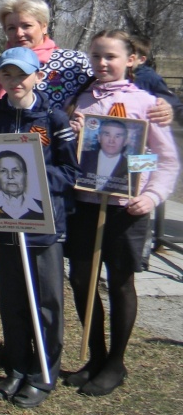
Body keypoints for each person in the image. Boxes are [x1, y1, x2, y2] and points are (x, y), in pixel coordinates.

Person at [64, 30, 179, 397]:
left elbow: (164, 159)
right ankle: (94, 357)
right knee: (82, 281)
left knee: (119, 283)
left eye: (110, 56)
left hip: (127, 210)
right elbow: (72, 152)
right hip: (84, 206)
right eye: (96, 56)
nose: (102, 63)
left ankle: (116, 363)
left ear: (131, 59)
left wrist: (149, 193)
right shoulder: (80, 99)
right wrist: (73, 131)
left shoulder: (145, 103)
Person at [0, 47, 78, 408]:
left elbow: (71, 172)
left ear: (38, 76)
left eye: (22, 74)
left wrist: (35, 173)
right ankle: (17, 368)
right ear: (0, 80)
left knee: (47, 302)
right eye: (8, 75)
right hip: (6, 224)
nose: (15, 82)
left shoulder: (54, 119)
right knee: (13, 302)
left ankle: (43, 373)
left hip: (43, 227)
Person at [129, 34, 183, 122]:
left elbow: (173, 103)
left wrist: (166, 110)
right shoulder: (112, 75)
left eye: (131, 56)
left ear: (141, 60)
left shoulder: (149, 77)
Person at [0, 151, 45, 220]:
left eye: (16, 171)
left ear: (25, 175)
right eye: (3, 171)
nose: (10, 176)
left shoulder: (44, 208)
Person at [77, 120, 131, 195]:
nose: (111, 141)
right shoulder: (81, 157)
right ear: (99, 137)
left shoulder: (132, 167)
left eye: (117, 136)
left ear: (125, 141)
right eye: (107, 134)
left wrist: (149, 196)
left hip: (120, 205)